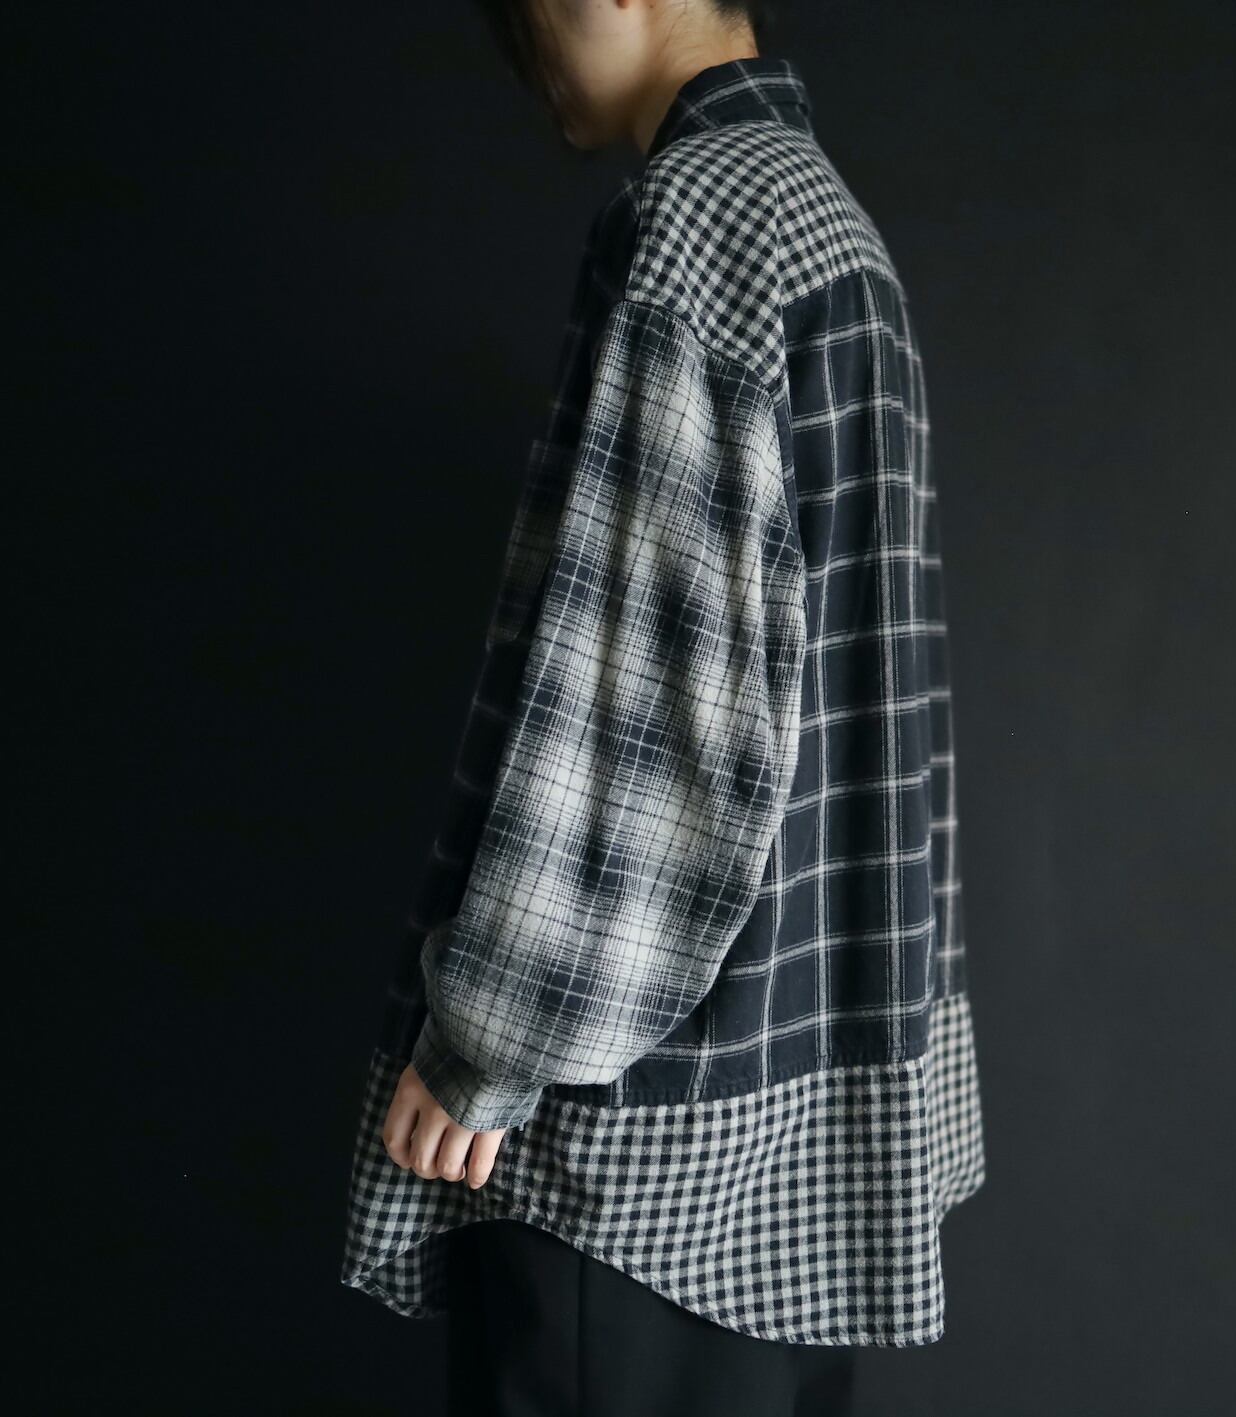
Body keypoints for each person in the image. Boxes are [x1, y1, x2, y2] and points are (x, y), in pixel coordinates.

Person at [339, 3, 987, 1413]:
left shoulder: (701, 223)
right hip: (790, 1156)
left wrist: (488, 1041)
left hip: (644, 1150)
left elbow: (650, 712)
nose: (517, 45)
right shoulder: (831, 229)